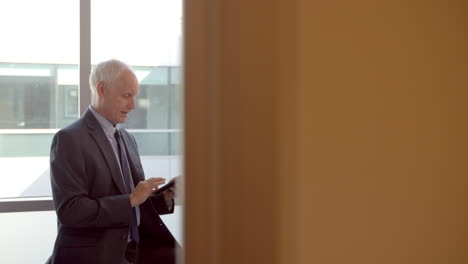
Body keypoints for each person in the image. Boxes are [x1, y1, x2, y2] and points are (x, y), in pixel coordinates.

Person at [47, 59, 180, 264]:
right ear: (102, 90)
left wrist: (167, 194)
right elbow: (71, 211)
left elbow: (134, 206)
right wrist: (131, 200)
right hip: (95, 257)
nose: (133, 105)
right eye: (127, 96)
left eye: (135, 97)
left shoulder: (128, 139)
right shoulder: (69, 139)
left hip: (134, 253)